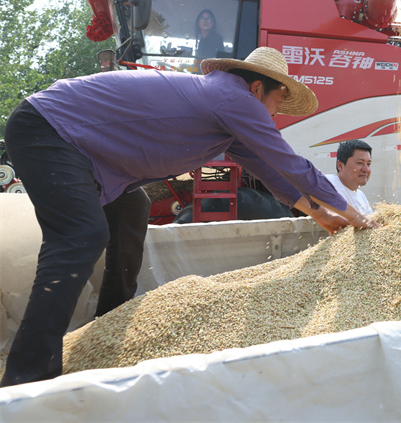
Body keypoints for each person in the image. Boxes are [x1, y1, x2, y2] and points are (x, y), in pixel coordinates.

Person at [0, 47, 377, 387]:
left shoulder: (228, 113)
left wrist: (322, 216)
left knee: (133, 208)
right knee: (81, 236)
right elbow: (294, 165)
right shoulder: (236, 99)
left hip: (81, 147)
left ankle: (110, 321)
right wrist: (353, 214)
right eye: (279, 100)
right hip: (49, 128)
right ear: (258, 88)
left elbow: (274, 175)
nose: (277, 112)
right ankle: (27, 375)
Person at [325, 139, 374, 215]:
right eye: (360, 163)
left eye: (368, 164)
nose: (366, 169)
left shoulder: (361, 196)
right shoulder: (328, 184)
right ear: (340, 165)